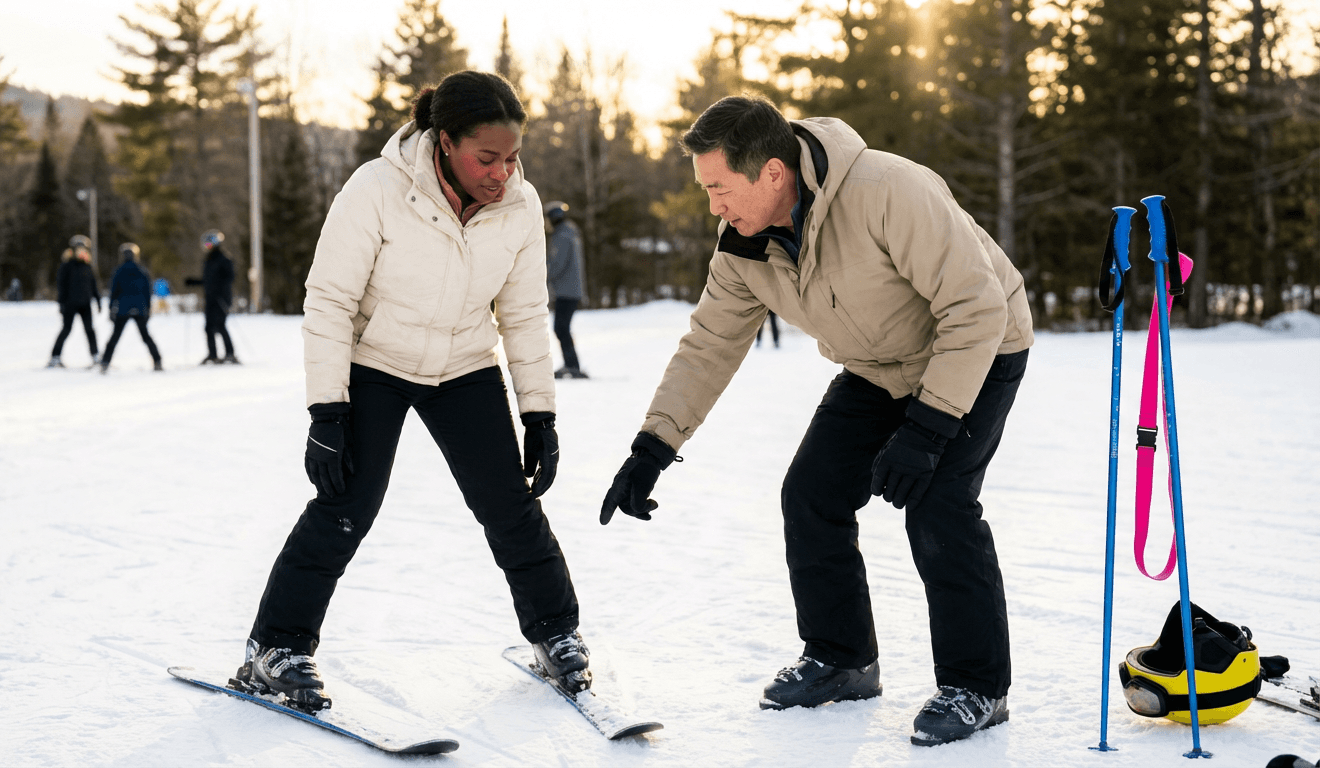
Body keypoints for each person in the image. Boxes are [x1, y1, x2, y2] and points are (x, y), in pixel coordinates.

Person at [599, 96, 1034, 747]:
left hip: (978, 346)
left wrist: (926, 431)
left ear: (773, 173)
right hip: (878, 366)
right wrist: (653, 446)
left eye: (719, 188)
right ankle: (842, 658)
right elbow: (710, 345)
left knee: (940, 501)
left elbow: (975, 308)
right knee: (811, 493)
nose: (713, 205)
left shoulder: (888, 190)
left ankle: (977, 685)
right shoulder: (743, 248)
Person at [232, 70, 585, 713]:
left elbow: (526, 314)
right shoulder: (378, 188)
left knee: (510, 506)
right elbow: (330, 300)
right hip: (376, 361)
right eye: (487, 158)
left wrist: (539, 413)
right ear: (445, 142)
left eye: (512, 158)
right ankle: (273, 649)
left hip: (464, 364)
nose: (502, 172)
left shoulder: (520, 208)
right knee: (346, 505)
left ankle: (556, 634)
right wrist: (327, 410)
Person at [99, 243, 163, 373]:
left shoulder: (119, 271)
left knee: (115, 337)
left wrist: (112, 309)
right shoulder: (142, 271)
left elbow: (113, 292)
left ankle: (105, 362)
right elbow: (148, 292)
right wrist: (148, 309)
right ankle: (157, 361)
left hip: (123, 309)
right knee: (146, 336)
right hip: (140, 309)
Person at [543, 200, 588, 378]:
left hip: (566, 290)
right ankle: (572, 365)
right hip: (570, 290)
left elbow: (557, 265)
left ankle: (572, 366)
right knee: (562, 328)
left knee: (561, 328)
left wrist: (540, 273)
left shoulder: (562, 236)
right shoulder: (570, 232)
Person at [48, 236, 102, 368]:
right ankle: (55, 357)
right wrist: (61, 303)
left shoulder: (88, 267)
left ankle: (95, 356)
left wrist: (98, 300)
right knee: (66, 329)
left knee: (89, 330)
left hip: (85, 304)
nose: (80, 251)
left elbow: (93, 285)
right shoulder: (66, 266)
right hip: (70, 304)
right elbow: (61, 286)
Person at [186, 230, 238, 364]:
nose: (206, 246)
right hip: (210, 298)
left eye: (209, 243)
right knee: (208, 327)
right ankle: (212, 354)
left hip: (221, 298)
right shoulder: (208, 260)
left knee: (220, 325)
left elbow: (229, 278)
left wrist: (218, 289)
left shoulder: (224, 259)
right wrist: (194, 282)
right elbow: (208, 280)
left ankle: (230, 354)